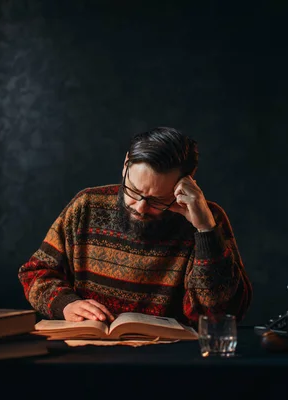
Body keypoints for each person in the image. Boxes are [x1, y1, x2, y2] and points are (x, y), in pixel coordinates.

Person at [18, 127, 252, 326]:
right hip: (89, 350)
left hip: (171, 359)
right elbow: (35, 273)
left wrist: (205, 232)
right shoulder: (87, 205)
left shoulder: (207, 220)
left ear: (187, 182)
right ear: (125, 165)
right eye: (133, 191)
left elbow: (219, 314)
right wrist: (65, 305)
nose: (140, 207)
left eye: (158, 200)